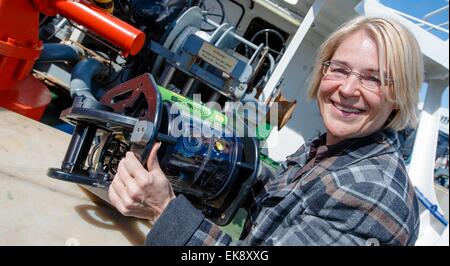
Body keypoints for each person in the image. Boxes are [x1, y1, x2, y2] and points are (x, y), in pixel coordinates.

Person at [108, 16, 424, 246]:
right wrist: (198, 158)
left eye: (373, 79)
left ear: (399, 97)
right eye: (339, 69)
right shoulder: (328, 150)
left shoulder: (373, 194)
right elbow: (277, 199)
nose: (348, 88)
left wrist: (163, 210)